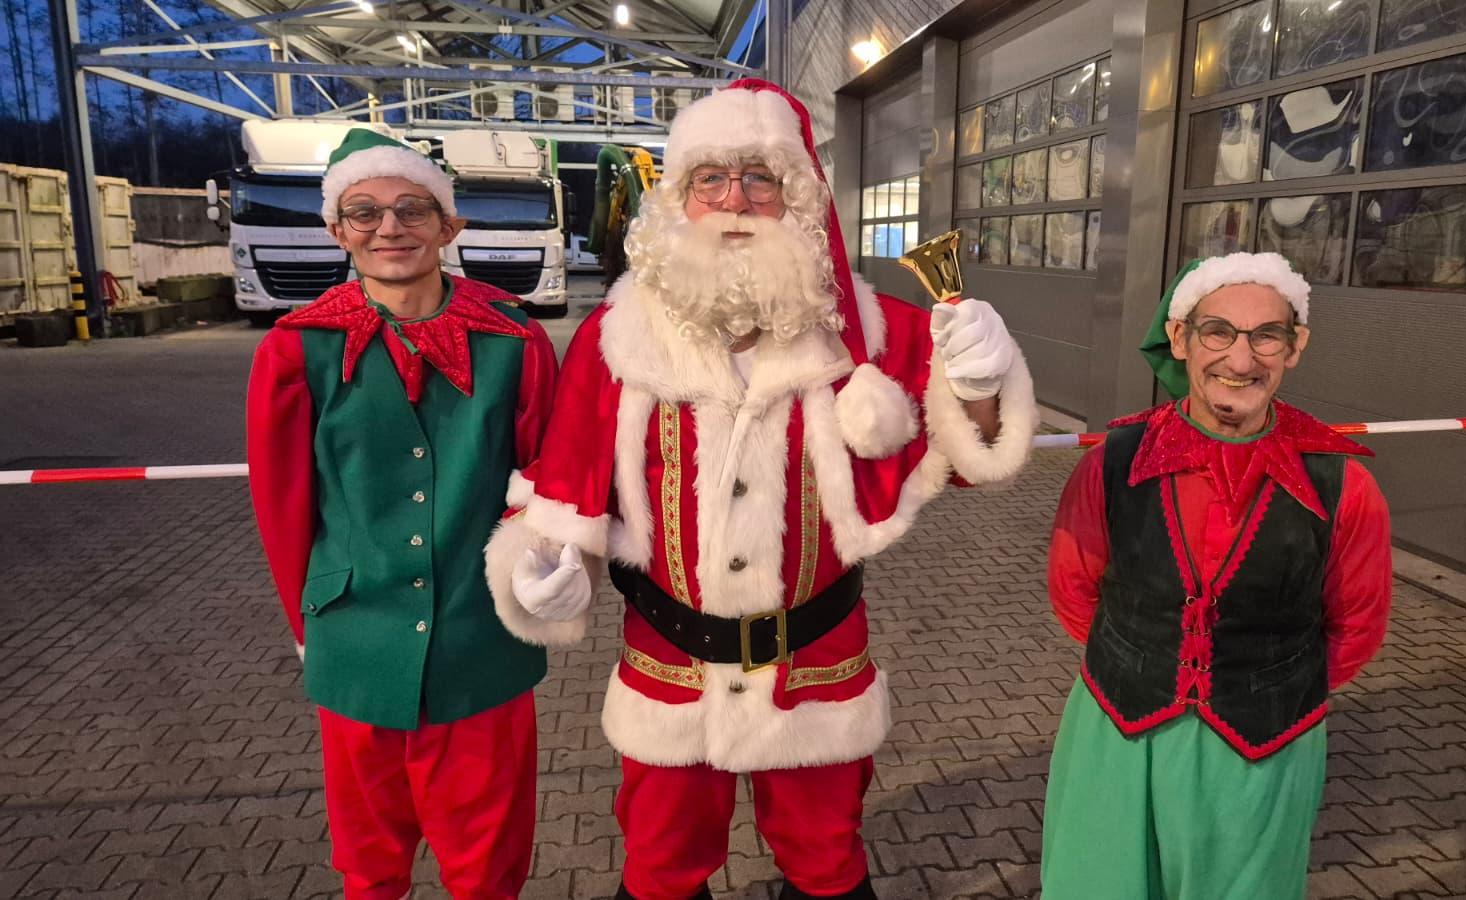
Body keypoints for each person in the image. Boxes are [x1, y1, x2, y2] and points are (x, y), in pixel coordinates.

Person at [482, 79, 1036, 900]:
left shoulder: (868, 331)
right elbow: (569, 468)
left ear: (798, 199)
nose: (735, 200)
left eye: (760, 179)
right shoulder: (618, 333)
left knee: (826, 863)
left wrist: (987, 377)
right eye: (711, 178)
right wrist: (544, 557)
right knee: (662, 866)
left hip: (816, 662)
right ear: (680, 199)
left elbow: (977, 446)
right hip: (667, 663)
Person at [246, 128, 558, 900]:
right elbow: (283, 504)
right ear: (336, 230)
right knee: (369, 867)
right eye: (364, 211)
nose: (389, 228)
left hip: (482, 640)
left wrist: (546, 576)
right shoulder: (294, 350)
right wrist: (307, 625)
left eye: (412, 209)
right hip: (356, 639)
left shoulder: (518, 341)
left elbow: (547, 482)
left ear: (449, 226)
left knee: (488, 866)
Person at [1040, 251, 1393, 898]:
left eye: (1267, 335)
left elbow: (1358, 623)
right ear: (1180, 337)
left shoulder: (1345, 484)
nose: (1240, 359)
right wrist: (1143, 657)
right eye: (1218, 331)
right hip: (1118, 728)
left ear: (1296, 347)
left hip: (1265, 744)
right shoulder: (1112, 465)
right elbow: (1073, 587)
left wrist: (1261, 680)